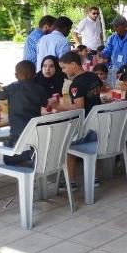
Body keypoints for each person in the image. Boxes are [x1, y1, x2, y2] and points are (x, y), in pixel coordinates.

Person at [52, 52, 103, 190]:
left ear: (73, 64)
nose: (63, 71)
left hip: (85, 124)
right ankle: (94, 178)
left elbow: (79, 107)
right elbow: (100, 88)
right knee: (93, 147)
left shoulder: (75, 84)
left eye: (64, 67)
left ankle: (70, 182)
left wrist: (58, 106)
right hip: (98, 123)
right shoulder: (93, 76)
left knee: (69, 148)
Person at [0, 60, 49, 165]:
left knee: (7, 158)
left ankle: (25, 159)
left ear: (16, 75)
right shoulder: (40, 89)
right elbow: (45, 104)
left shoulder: (12, 88)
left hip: (17, 133)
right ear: (34, 74)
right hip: (34, 132)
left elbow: (0, 95)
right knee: (23, 146)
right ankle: (29, 156)